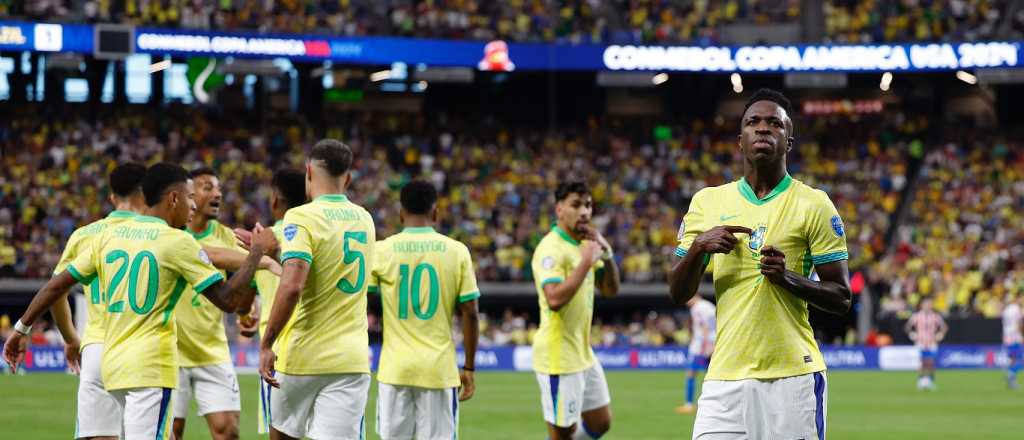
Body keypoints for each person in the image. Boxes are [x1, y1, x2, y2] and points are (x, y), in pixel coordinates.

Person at [4, 162, 276, 440]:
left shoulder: (106, 235)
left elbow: (56, 285)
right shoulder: (177, 241)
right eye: (188, 198)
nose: (192, 207)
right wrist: (256, 253)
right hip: (151, 367)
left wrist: (22, 328)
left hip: (110, 362)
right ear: (173, 198)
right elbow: (227, 300)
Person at [668, 88, 852, 440]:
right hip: (724, 380)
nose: (763, 129)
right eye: (753, 122)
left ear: (789, 140)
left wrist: (787, 278)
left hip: (792, 378)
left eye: (775, 124)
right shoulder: (708, 202)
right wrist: (697, 248)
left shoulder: (814, 204)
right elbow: (677, 292)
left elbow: (842, 296)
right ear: (741, 140)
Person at [258, 139, 376, 440]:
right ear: (347, 178)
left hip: (303, 356)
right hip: (351, 360)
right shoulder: (365, 219)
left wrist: (267, 342)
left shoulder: (301, 217)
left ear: (308, 171)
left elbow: (293, 285)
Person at [369, 180, 481, 440]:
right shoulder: (457, 252)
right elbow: (471, 312)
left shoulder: (382, 250)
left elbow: (363, 299)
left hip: (395, 370)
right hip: (438, 371)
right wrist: (470, 368)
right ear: (435, 212)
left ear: (400, 213)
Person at [50, 162, 147, 440]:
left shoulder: (85, 235)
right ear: (147, 193)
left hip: (99, 347)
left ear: (112, 197)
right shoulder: (163, 235)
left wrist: (71, 337)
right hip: (145, 349)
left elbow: (56, 290)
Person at [530, 180, 620, 440]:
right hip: (558, 356)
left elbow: (611, 290)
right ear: (559, 209)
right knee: (563, 434)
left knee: (601, 421)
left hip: (583, 352)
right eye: (576, 205)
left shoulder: (585, 245)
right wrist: (585, 263)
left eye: (588, 205)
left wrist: (606, 253)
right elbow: (554, 299)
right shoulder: (550, 248)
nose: (585, 212)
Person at [172, 167, 250, 440]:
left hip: (212, 348)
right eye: (208, 187)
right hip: (171, 351)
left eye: (218, 188)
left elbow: (246, 281)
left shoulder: (227, 236)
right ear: (189, 195)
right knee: (171, 433)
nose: (217, 193)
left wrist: (248, 310)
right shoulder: (171, 235)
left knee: (228, 431)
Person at [230, 168, 308, 434]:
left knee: (281, 433)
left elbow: (243, 303)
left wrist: (245, 315)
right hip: (322, 348)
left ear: (275, 200)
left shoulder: (261, 242)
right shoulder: (318, 234)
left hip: (276, 353)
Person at [675, 295, 716, 415]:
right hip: (713, 341)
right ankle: (713, 404)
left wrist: (706, 346)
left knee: (691, 373)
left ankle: (688, 404)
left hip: (701, 346)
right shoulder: (708, 305)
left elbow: (704, 326)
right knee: (711, 375)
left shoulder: (697, 308)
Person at [905, 297, 947, 391]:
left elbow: (944, 327)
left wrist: (940, 335)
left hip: (932, 342)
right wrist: (912, 334)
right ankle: (921, 381)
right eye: (926, 304)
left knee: (931, 363)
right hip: (920, 342)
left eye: (929, 304)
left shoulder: (936, 316)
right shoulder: (916, 316)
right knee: (922, 362)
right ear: (922, 305)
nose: (927, 306)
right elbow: (907, 327)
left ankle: (931, 381)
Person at [1003, 295, 1022, 390]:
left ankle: (1010, 376)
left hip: (1007, 336)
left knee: (1012, 358)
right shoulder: (1017, 309)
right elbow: (1019, 324)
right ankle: (1011, 376)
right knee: (1018, 358)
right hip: (1015, 336)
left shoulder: (1006, 310)